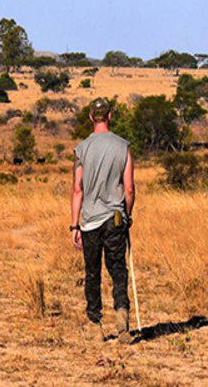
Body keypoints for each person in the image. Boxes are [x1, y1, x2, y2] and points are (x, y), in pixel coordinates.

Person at [70, 97, 135, 344]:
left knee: (92, 272)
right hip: (115, 218)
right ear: (109, 116)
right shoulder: (123, 146)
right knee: (118, 269)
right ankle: (122, 317)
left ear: (90, 117)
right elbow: (128, 188)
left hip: (89, 222)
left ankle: (95, 325)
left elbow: (78, 189)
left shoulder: (81, 149)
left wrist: (74, 224)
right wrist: (127, 215)